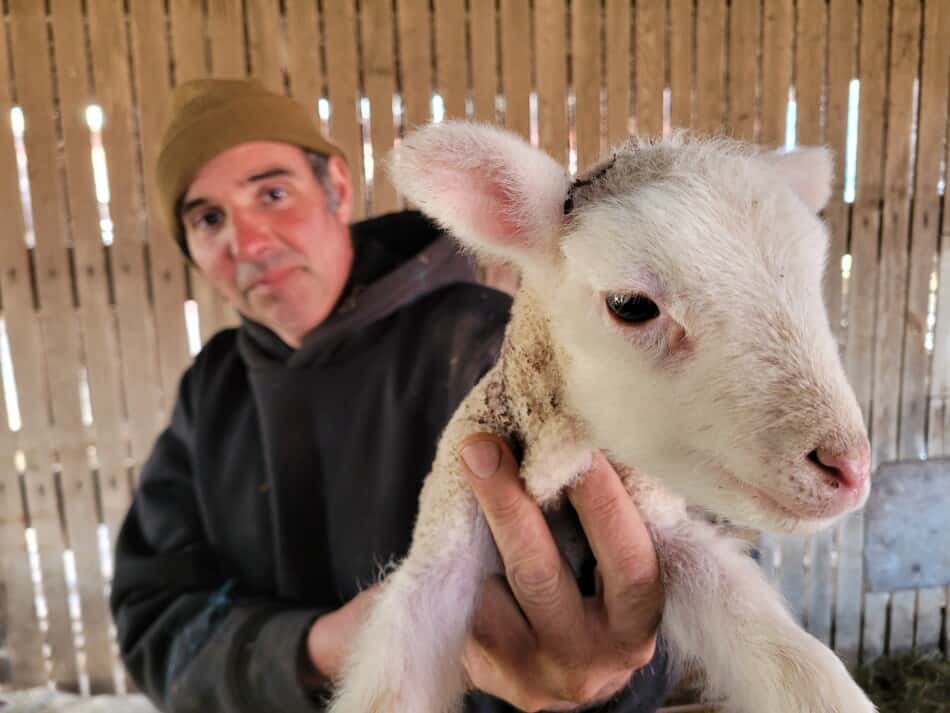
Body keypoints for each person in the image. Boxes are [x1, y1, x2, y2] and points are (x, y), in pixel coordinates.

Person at [110, 78, 671, 713]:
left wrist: (603, 671)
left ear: (337, 188)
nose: (250, 242)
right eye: (209, 218)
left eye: (273, 193)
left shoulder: (493, 345)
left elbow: (657, 594)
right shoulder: (212, 390)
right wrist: (319, 646)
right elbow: (153, 616)